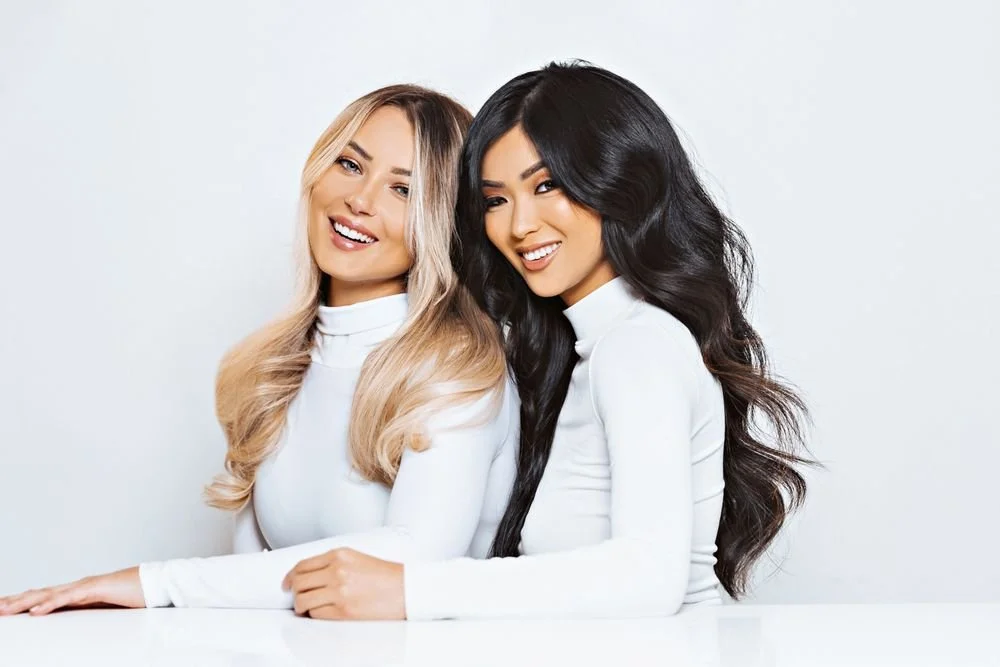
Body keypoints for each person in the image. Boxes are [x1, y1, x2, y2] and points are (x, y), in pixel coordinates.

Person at [281, 62, 812, 620]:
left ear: (616, 181)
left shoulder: (638, 347)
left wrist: (412, 591)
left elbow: (650, 578)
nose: (519, 226)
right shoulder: (583, 353)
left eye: (545, 186)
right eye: (496, 200)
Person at [0, 84, 518, 618]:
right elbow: (247, 593)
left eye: (403, 190)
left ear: (442, 221)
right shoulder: (267, 372)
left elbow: (416, 559)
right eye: (349, 164)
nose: (360, 201)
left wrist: (157, 583)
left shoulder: (458, 370)